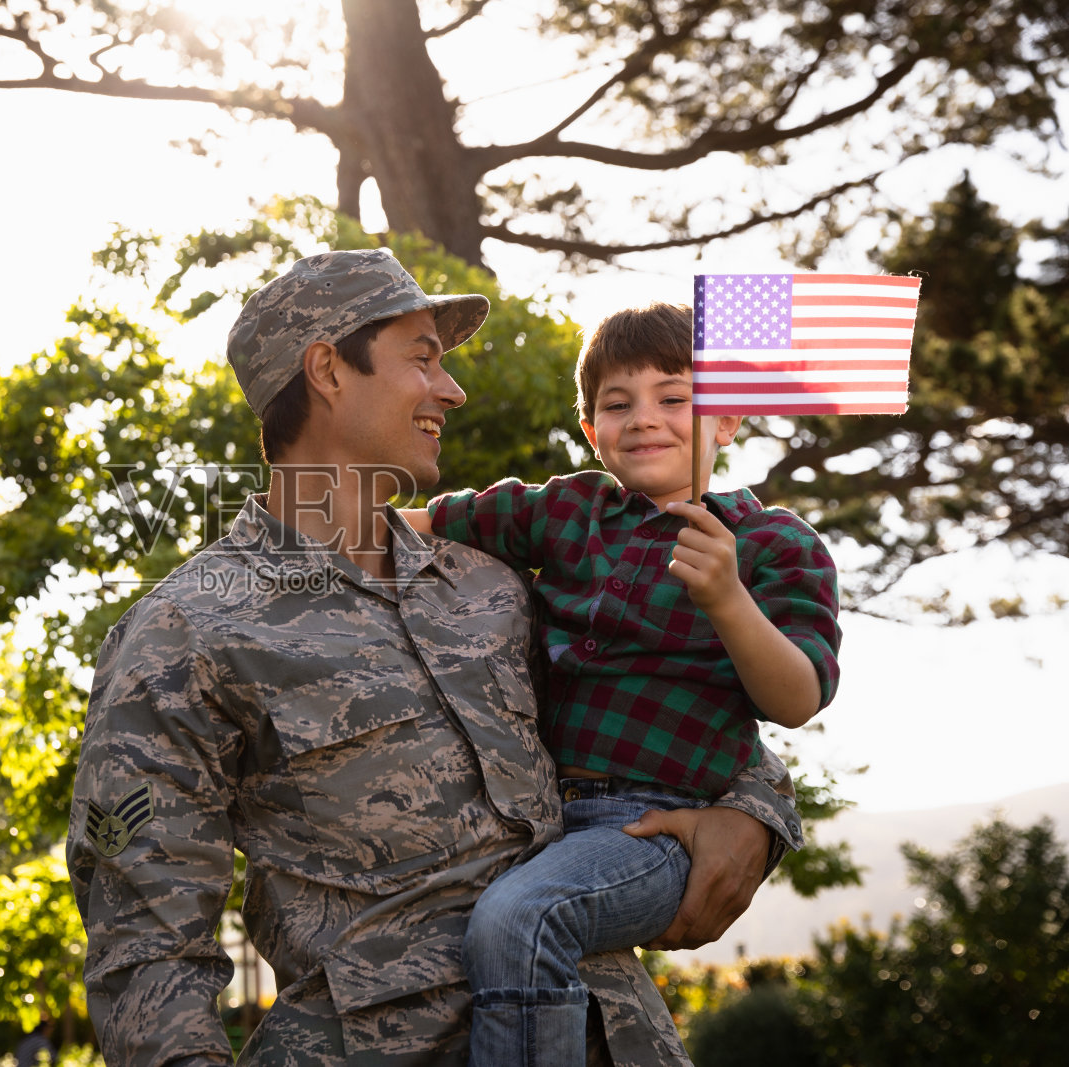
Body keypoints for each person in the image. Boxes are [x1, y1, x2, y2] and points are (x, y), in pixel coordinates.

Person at [68, 250, 803, 1066]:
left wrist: (753, 809)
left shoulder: (490, 587)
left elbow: (653, 704)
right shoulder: (183, 631)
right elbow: (145, 952)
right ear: (327, 369)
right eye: (422, 358)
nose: (451, 390)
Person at [403, 302, 842, 1066]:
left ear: (727, 417)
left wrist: (729, 601)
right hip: (541, 821)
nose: (646, 418)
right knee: (508, 925)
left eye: (675, 397)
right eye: (618, 402)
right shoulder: (569, 510)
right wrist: (314, 530)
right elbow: (429, 521)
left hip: (655, 828)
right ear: (591, 429)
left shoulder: (775, 543)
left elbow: (797, 697)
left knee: (520, 920)